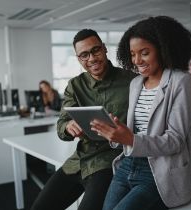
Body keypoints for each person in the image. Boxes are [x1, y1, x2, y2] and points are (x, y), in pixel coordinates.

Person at [90, 16, 191, 209]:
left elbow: (176, 141)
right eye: (132, 54)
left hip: (159, 171)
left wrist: (131, 139)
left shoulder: (182, 82)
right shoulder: (136, 83)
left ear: (163, 50)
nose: (137, 60)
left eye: (145, 52)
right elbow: (133, 131)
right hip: (128, 164)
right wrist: (114, 132)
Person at [30, 29, 136, 210]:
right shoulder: (75, 85)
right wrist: (68, 126)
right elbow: (61, 125)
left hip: (109, 162)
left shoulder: (132, 81)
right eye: (84, 55)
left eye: (95, 50)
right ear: (79, 59)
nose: (92, 58)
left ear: (104, 48)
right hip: (79, 160)